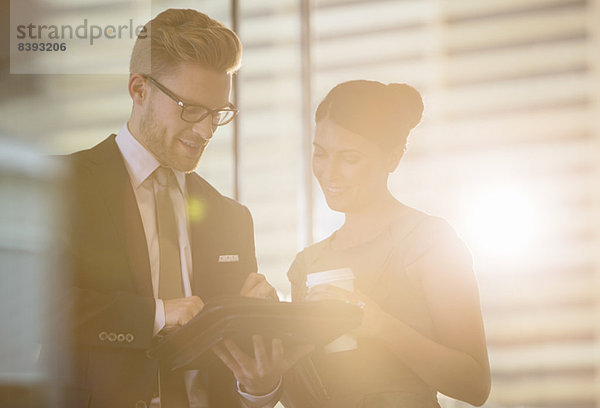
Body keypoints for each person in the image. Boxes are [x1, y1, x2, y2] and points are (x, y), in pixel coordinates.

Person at [62, 9, 310, 408]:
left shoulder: (231, 218)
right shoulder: (59, 187)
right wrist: (156, 316)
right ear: (139, 90)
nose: (206, 130)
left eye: (217, 114)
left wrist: (259, 382)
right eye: (190, 108)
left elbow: (239, 385)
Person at [282, 80, 491, 407]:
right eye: (320, 154)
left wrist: (378, 325)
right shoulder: (307, 264)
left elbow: (475, 385)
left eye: (349, 158)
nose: (329, 172)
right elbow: (305, 395)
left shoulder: (429, 243)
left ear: (392, 158)